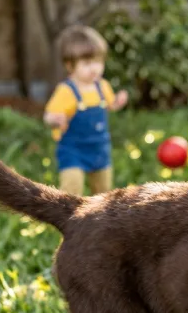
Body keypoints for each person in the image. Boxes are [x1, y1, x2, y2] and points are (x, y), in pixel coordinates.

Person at [43, 25, 129, 195]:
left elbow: (109, 105)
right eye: (87, 63)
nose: (94, 69)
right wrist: (55, 119)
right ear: (70, 65)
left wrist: (118, 102)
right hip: (73, 151)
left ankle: (100, 220)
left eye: (98, 62)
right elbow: (48, 116)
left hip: (99, 149)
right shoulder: (66, 91)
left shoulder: (102, 86)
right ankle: (71, 218)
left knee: (104, 192)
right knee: (72, 189)